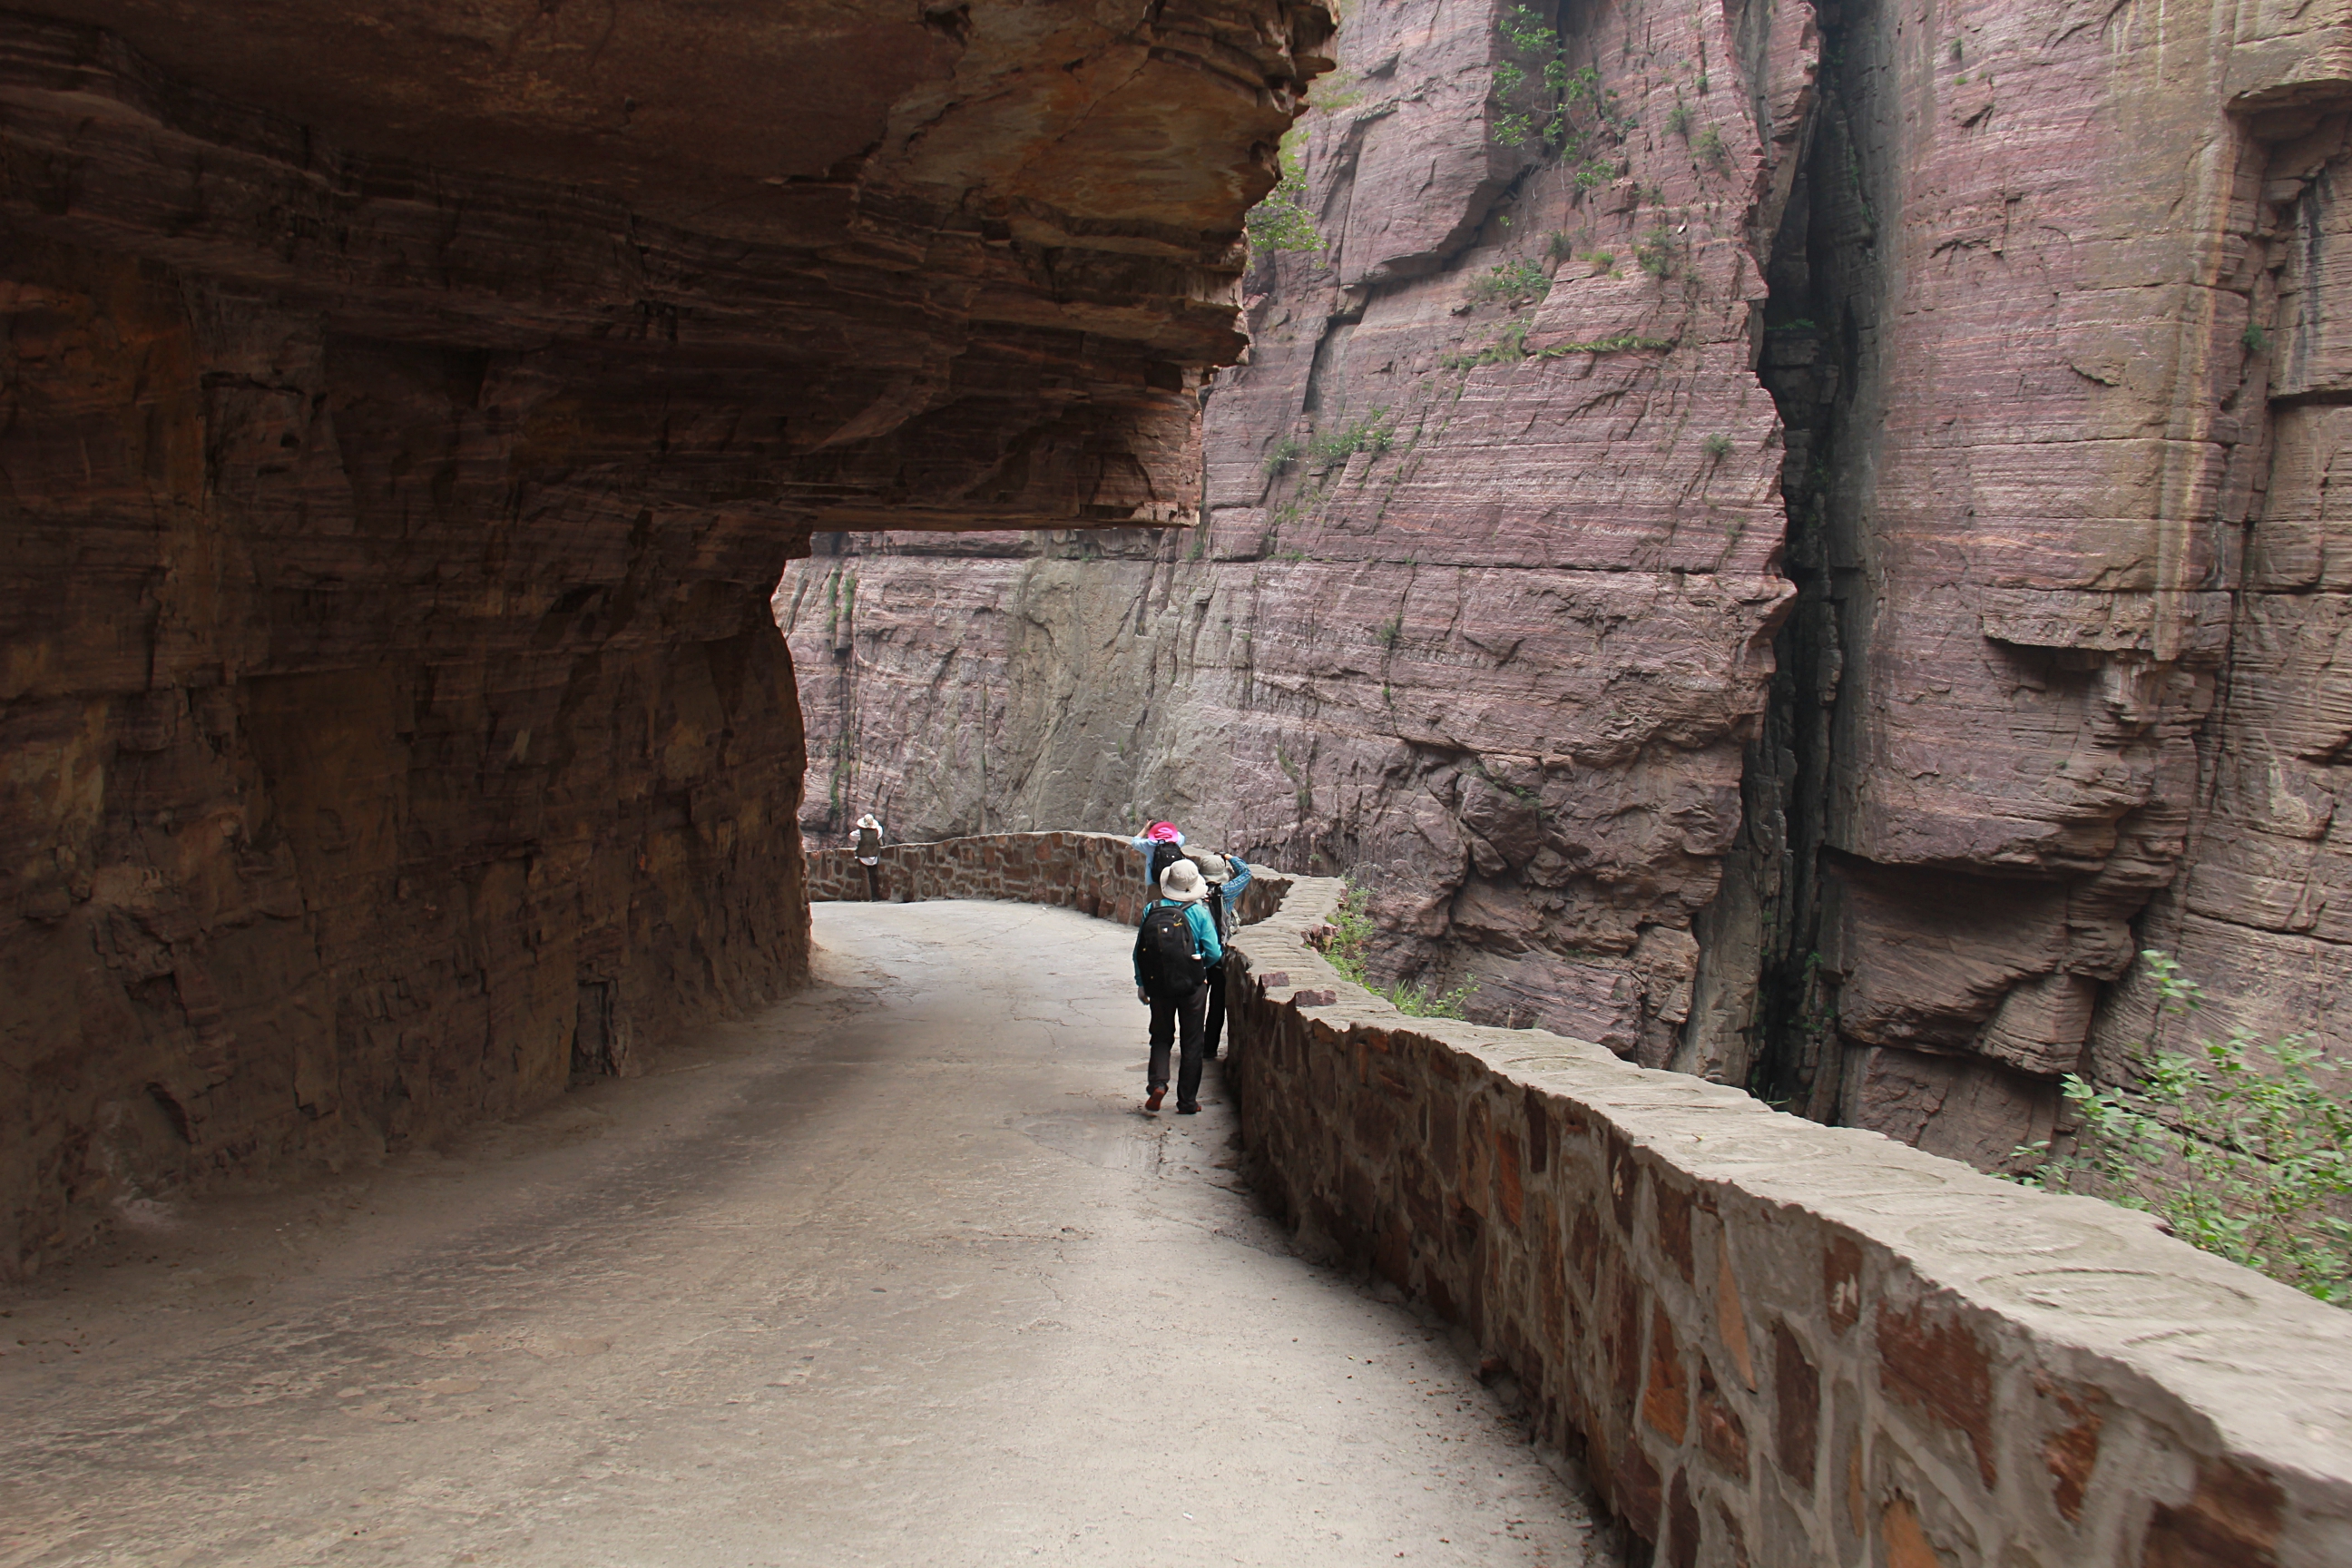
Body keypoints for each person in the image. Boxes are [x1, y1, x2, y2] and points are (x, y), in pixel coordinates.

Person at [1131, 857, 1224, 1113]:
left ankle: (1158, 1084)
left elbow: (1140, 951)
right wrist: (1198, 963)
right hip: (1192, 986)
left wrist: (1142, 983)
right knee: (1192, 1041)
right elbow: (1214, 953)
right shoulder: (1199, 912)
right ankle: (1187, 1101)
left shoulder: (1152, 909)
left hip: (1159, 985)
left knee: (1160, 1036)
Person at [1186, 848, 1254, 1061]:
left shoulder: (1191, 893)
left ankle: (1191, 1046)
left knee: (1194, 1004)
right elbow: (1246, 873)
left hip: (1196, 956)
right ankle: (1209, 1048)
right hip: (1221, 954)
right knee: (1217, 1003)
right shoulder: (1227, 891)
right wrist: (1228, 857)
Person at [1130, 819, 1187, 888]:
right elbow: (1181, 836)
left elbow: (1134, 842)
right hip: (1173, 879)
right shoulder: (1177, 842)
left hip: (1154, 880)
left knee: (1154, 898)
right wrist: (1166, 826)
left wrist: (1145, 828)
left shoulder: (1148, 845)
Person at [851, 813, 885, 901]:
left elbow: (852, 836)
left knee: (865, 878)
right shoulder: (878, 830)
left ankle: (867, 897)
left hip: (863, 856)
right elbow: (880, 833)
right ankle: (876, 895)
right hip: (874, 855)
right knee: (873, 876)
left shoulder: (859, 833)